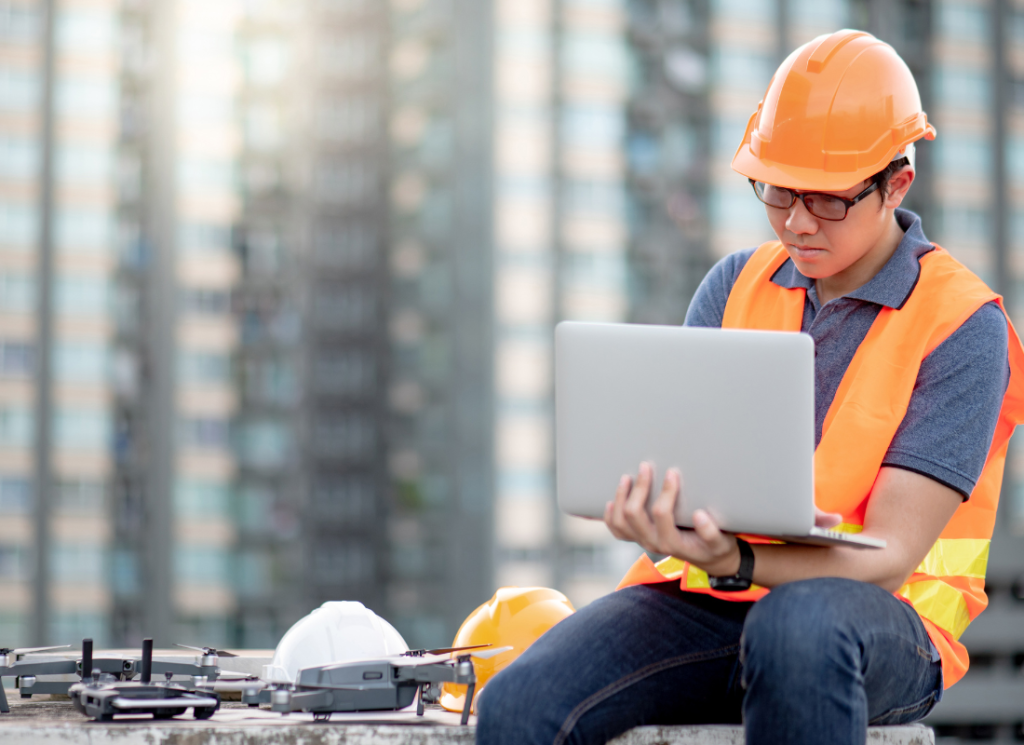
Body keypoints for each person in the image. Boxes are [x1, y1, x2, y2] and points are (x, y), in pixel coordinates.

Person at [476, 30, 1024, 745]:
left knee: (797, 628)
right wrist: (656, 512)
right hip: (720, 598)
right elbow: (690, 466)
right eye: (777, 190)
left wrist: (737, 558)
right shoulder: (736, 284)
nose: (796, 221)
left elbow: (888, 554)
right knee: (522, 702)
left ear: (897, 184)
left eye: (827, 199)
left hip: (886, 623)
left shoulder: (963, 324)